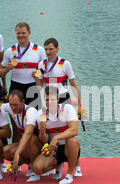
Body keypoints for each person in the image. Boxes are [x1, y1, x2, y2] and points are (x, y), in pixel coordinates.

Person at [32, 37, 84, 176]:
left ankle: (77, 166)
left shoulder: (64, 63)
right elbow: (39, 85)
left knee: (68, 131)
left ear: (57, 49)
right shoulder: (41, 65)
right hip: (49, 99)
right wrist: (36, 80)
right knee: (52, 132)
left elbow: (73, 84)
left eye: (51, 49)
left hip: (63, 98)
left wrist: (80, 104)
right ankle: (58, 165)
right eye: (46, 49)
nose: (48, 52)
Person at [32, 86, 81, 184]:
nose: (49, 102)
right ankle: (58, 164)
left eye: (52, 99)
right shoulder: (41, 114)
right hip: (54, 149)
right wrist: (42, 132)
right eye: (46, 99)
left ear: (58, 99)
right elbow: (44, 140)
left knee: (71, 139)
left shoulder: (67, 108)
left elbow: (75, 130)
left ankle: (69, 174)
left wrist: (57, 137)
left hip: (69, 147)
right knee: (37, 169)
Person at [0, 22, 46, 108]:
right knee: (14, 113)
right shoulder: (10, 51)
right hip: (16, 86)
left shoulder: (39, 50)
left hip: (33, 85)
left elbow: (46, 70)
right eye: (18, 33)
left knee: (35, 115)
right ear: (15, 34)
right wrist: (6, 70)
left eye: (23, 33)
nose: (21, 35)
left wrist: (38, 73)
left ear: (29, 33)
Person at [1, 89, 44, 182]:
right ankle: (29, 164)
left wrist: (17, 153)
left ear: (23, 101)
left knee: (31, 138)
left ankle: (35, 171)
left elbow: (28, 133)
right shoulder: (10, 106)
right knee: (6, 151)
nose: (12, 108)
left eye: (15, 105)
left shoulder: (31, 111)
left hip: (40, 146)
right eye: (11, 104)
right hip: (28, 146)